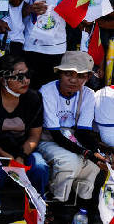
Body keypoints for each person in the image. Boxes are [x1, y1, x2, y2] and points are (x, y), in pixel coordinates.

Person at [37, 51, 106, 206]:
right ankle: (57, 203)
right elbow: (55, 134)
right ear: (60, 74)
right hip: (49, 139)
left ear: (88, 77)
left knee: (92, 166)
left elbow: (83, 132)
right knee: (70, 162)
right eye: (68, 74)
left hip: (74, 139)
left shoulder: (88, 94)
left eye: (81, 76)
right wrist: (86, 152)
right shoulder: (47, 92)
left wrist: (95, 153)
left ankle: (81, 206)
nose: (74, 80)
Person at [0, 55, 48, 204]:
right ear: (3, 79)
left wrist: (21, 156)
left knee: (40, 167)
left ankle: (37, 208)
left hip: (22, 151)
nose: (26, 81)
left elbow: (34, 136)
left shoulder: (34, 98)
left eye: (28, 75)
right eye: (20, 77)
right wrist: (5, 156)